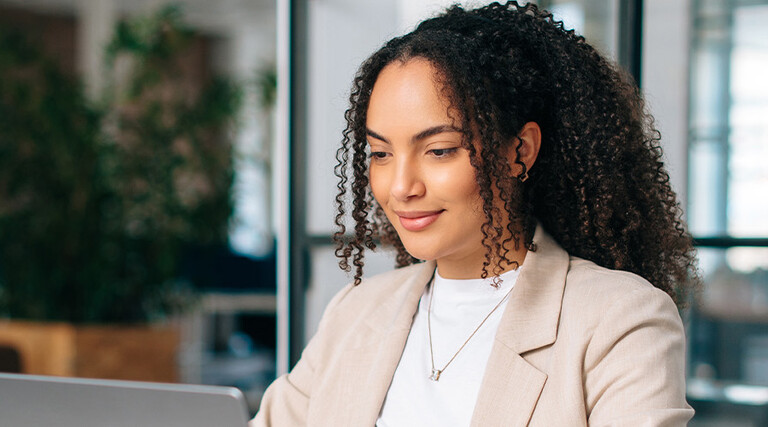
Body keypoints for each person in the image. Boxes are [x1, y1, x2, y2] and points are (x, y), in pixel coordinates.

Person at [251, 1, 699, 426]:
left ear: (519, 151)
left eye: (440, 150)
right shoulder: (356, 313)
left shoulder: (619, 321)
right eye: (381, 153)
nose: (403, 187)